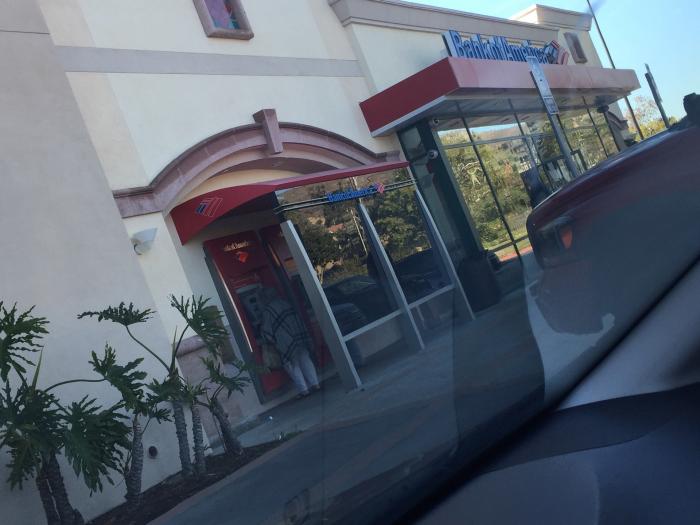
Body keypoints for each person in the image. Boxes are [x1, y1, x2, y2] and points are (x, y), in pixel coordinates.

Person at [259, 287, 320, 398]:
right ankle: (315, 384)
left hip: (285, 341)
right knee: (305, 359)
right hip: (299, 336)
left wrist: (268, 340)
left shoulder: (268, 311)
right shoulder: (285, 303)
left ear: (266, 298)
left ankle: (304, 390)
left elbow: (267, 331)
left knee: (291, 365)